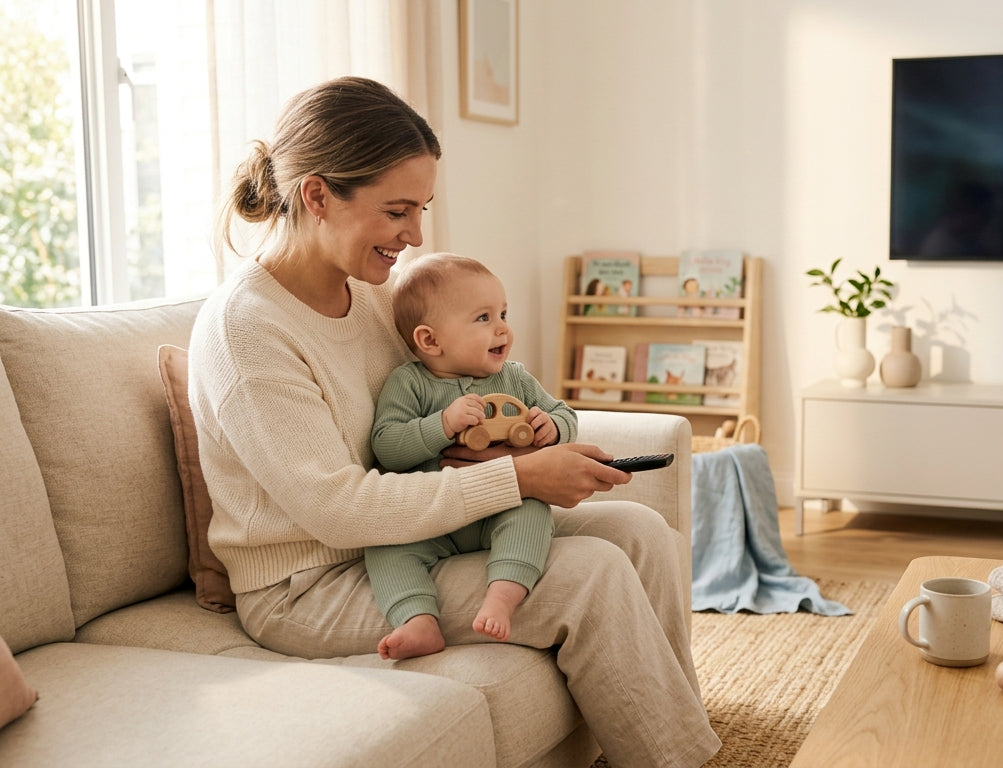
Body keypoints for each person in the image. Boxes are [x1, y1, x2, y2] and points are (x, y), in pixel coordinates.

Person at [189, 75, 719, 767]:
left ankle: (674, 737)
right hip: (312, 585)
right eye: (397, 211)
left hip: (421, 536)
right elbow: (337, 511)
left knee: (641, 531)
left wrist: (518, 441)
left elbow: (455, 394)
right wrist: (518, 479)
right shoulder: (246, 332)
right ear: (317, 196)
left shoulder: (375, 298)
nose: (414, 235)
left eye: (421, 209)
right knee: (589, 574)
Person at [369, 252, 574, 658]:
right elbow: (387, 447)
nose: (502, 328)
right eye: (483, 318)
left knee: (532, 511)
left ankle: (503, 596)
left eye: (503, 314)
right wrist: (442, 424)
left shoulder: (514, 377)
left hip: (498, 509)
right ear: (430, 341)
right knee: (383, 546)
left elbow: (564, 413)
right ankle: (417, 619)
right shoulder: (409, 384)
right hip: (431, 521)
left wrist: (553, 426)